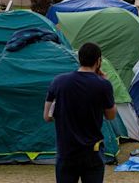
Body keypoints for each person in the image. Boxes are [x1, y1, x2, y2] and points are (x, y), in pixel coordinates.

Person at [44, 43, 116, 183]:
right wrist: (106, 85)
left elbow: (47, 116)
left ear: (79, 59)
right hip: (92, 152)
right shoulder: (103, 85)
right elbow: (110, 116)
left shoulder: (58, 81)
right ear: (98, 61)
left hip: (66, 151)